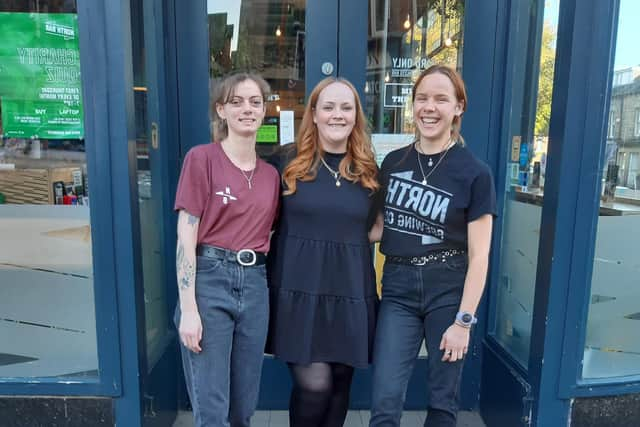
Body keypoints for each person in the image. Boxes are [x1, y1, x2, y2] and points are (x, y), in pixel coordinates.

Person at [368, 65, 496, 427]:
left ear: (458, 108)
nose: (429, 107)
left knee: (442, 401)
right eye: (422, 98)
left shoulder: (475, 172)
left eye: (441, 99)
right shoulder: (394, 162)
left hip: (449, 288)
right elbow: (378, 228)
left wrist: (464, 322)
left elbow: (480, 255)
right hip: (397, 287)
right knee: (385, 398)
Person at [266, 77, 380, 427]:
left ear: (356, 116)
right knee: (315, 386)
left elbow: (377, 229)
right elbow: (261, 224)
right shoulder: (284, 162)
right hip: (298, 293)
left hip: (349, 291)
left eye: (346, 107)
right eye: (328, 107)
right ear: (313, 113)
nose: (337, 115)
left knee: (340, 383)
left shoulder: (369, 172)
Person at [173, 72, 280, 427]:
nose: (246, 109)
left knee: (242, 408)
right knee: (213, 409)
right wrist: (189, 310)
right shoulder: (202, 159)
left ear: (265, 110)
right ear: (221, 110)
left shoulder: (271, 176)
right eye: (236, 102)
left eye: (255, 102)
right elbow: (186, 235)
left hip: (255, 284)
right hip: (210, 280)